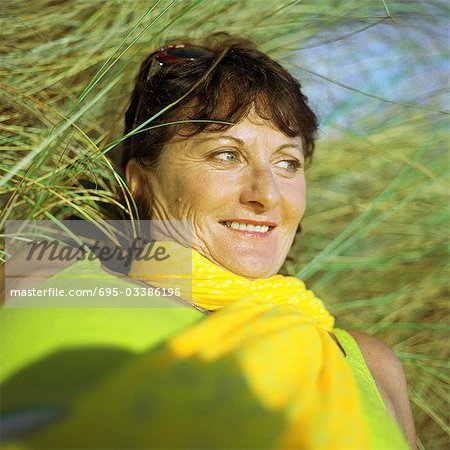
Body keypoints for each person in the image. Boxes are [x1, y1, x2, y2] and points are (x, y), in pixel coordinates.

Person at [0, 33, 416, 449]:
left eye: (287, 162)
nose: (267, 194)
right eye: (227, 155)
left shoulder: (371, 362)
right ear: (140, 180)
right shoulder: (39, 273)